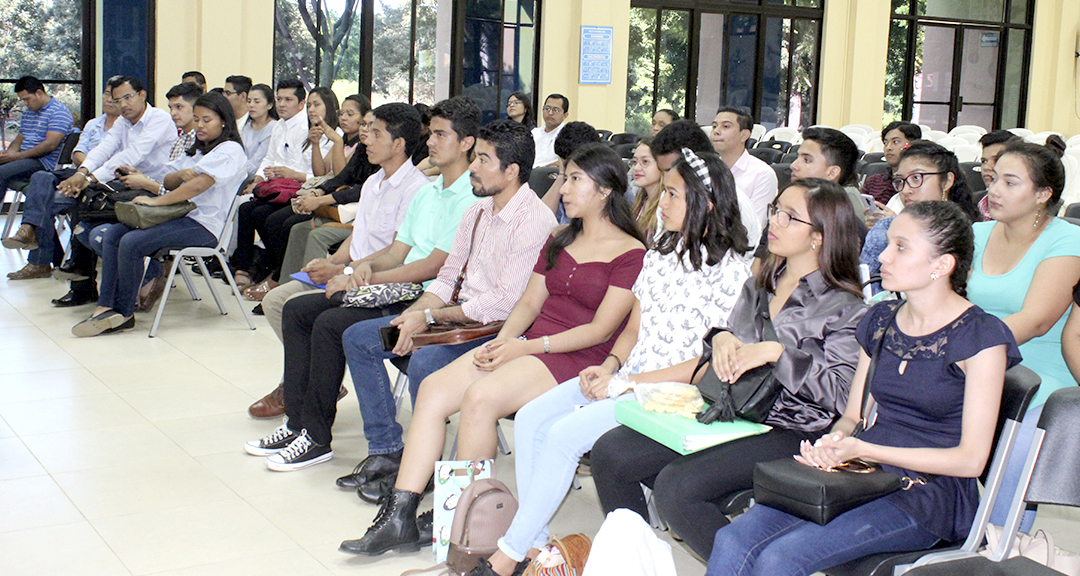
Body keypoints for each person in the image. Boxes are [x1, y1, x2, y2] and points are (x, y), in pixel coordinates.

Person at [341, 143, 645, 556]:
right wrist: (506, 342)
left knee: (479, 398)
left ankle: (462, 521)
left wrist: (525, 347)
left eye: (575, 179)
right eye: (564, 177)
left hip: (578, 357)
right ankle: (399, 515)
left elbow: (600, 329)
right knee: (433, 387)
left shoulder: (631, 253)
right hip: (531, 343)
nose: (564, 188)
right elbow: (528, 304)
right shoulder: (559, 239)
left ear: (606, 190)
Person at [470, 149, 753, 576]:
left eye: (674, 195)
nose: (664, 203)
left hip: (676, 394)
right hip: (628, 378)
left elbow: (703, 364)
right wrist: (611, 367)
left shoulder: (733, 275)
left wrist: (628, 382)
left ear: (706, 205)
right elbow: (633, 331)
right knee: (531, 419)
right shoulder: (659, 257)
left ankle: (507, 557)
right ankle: (535, 543)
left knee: (563, 436)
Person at [706, 201, 1020, 576]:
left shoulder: (981, 337)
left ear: (942, 265)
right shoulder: (881, 319)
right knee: (733, 540)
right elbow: (852, 416)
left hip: (926, 493)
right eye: (888, 243)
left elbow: (970, 460)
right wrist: (833, 444)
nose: (883, 256)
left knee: (781, 559)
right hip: (861, 470)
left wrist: (861, 447)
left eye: (901, 247)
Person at [591, 178, 867, 560]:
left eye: (790, 217)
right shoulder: (761, 283)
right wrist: (719, 339)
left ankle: (741, 568)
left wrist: (778, 355)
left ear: (819, 236)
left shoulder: (844, 307)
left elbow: (840, 394)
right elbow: (731, 339)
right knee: (610, 452)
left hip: (791, 428)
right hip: (734, 406)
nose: (775, 222)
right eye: (775, 211)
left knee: (678, 489)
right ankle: (636, 562)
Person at [330, 119, 556, 517]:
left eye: (483, 159)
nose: (472, 166)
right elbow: (449, 276)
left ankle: (434, 471)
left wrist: (431, 317)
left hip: (492, 330)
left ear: (512, 171)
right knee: (360, 338)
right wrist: (415, 316)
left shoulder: (535, 222)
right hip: (452, 318)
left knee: (427, 364)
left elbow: (504, 304)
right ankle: (388, 451)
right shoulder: (478, 210)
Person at [244, 102, 429, 420]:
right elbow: (357, 237)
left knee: (300, 310)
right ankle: (307, 379)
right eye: (367, 131)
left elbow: (396, 253)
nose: (366, 138)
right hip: (351, 268)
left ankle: (304, 384)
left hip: (375, 281)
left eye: (375, 133)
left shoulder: (416, 189)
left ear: (398, 144)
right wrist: (329, 262)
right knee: (277, 301)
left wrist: (342, 270)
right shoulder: (373, 182)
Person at [967, 140, 1080, 533]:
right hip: (977, 360)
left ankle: (1002, 542)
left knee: (1017, 451)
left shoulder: (1066, 240)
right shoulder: (977, 234)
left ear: (1043, 195)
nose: (993, 190)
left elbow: (1035, 321)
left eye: (1009, 182)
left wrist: (962, 350)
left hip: (1040, 372)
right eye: (994, 179)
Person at [70, 92, 248, 337]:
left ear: (224, 121)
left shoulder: (230, 150)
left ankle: (124, 313)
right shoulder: (198, 148)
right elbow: (169, 178)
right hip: (178, 215)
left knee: (132, 242)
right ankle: (105, 305)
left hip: (204, 226)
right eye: (196, 119)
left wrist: (158, 202)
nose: (199, 125)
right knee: (114, 234)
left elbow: (197, 185)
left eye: (207, 120)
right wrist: (183, 175)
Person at [4, 76, 176, 280]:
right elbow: (104, 148)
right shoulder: (121, 121)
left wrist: (89, 179)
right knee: (42, 179)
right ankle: (29, 232)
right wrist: (82, 173)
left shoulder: (159, 119)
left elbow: (131, 155)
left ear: (142, 95)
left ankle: (65, 267)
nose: (122, 104)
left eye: (127, 98)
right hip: (116, 181)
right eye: (117, 99)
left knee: (74, 197)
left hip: (144, 186)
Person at [861, 141, 981, 291]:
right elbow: (865, 288)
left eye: (916, 178)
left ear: (947, 181)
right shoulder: (884, 229)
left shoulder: (976, 233)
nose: (905, 190)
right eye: (900, 181)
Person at [651, 120, 761, 257]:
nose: (666, 179)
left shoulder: (737, 205)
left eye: (669, 170)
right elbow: (661, 246)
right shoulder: (667, 197)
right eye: (662, 171)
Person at [0, 76, 74, 207]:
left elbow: (50, 145)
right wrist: (9, 154)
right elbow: (20, 138)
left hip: (44, 162)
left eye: (27, 99)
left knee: (1, 172)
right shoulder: (28, 113)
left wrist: (17, 157)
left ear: (39, 93)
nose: (25, 104)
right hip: (25, 158)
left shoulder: (59, 112)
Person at [710, 106, 778, 223]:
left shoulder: (762, 174)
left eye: (725, 126)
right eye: (714, 126)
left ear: (744, 135)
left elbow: (755, 226)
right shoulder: (706, 169)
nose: (716, 131)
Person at [789, 126, 866, 224]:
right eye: (797, 157)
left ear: (832, 173)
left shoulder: (846, 204)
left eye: (806, 160)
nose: (793, 165)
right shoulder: (794, 196)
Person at [540, 121, 601, 221]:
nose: (563, 189)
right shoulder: (564, 182)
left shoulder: (607, 186)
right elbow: (540, 219)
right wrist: (561, 175)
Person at [861, 121, 920, 205]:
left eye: (895, 142)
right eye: (885, 143)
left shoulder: (917, 184)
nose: (888, 148)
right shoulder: (873, 181)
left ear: (912, 145)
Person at [976, 130, 1022, 220]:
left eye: (996, 160)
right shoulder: (973, 202)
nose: (986, 167)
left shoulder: (1027, 208)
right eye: (984, 161)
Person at [240, 83, 278, 175]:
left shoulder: (273, 128)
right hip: (241, 172)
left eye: (257, 102)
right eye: (249, 101)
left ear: (269, 105)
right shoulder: (246, 126)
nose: (251, 105)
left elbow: (256, 163)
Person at [629, 137, 662, 241]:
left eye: (645, 161)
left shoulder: (665, 206)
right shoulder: (640, 202)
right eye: (634, 162)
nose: (636, 168)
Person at [532, 93, 568, 167]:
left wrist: (543, 170)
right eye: (547, 108)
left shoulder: (567, 135)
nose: (550, 113)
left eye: (556, 110)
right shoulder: (534, 133)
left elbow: (568, 161)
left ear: (565, 115)